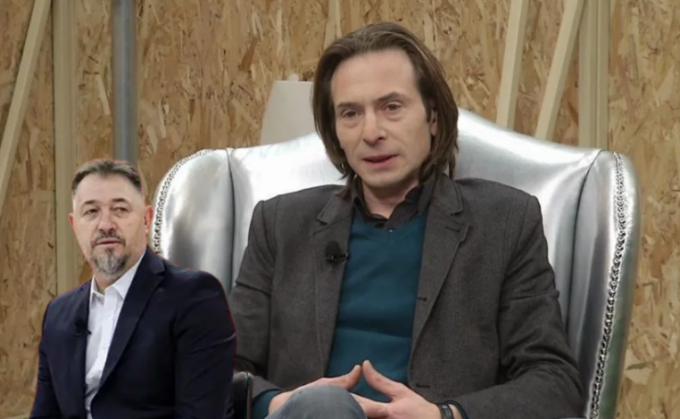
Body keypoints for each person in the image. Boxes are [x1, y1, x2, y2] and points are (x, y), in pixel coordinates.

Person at [229, 21, 585, 419]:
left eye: (391, 107)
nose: (372, 132)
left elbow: (554, 384)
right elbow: (220, 371)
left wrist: (445, 415)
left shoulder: (503, 223)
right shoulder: (280, 224)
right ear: (335, 132)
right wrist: (283, 405)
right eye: (351, 114)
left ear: (433, 117)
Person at [30, 159, 237, 419]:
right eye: (91, 211)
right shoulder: (58, 314)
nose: (106, 224)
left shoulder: (195, 298)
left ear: (147, 219)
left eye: (120, 209)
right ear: (74, 225)